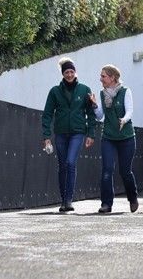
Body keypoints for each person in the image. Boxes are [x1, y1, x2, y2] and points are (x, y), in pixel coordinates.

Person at [41, 58, 96, 212]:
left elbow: (91, 114)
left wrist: (91, 134)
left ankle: (69, 200)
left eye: (72, 71)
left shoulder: (85, 90)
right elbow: (47, 115)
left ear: (75, 72)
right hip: (60, 134)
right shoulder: (55, 91)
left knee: (71, 162)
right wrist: (46, 137)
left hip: (78, 133)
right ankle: (63, 200)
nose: (70, 74)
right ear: (63, 74)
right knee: (63, 166)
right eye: (66, 72)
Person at [89, 64, 139, 214]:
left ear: (112, 78)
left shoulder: (125, 91)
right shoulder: (102, 94)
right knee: (107, 170)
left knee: (125, 171)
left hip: (126, 137)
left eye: (103, 76)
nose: (100, 79)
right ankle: (106, 204)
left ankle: (133, 197)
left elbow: (130, 110)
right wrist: (95, 105)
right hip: (109, 137)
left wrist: (124, 119)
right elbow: (100, 116)